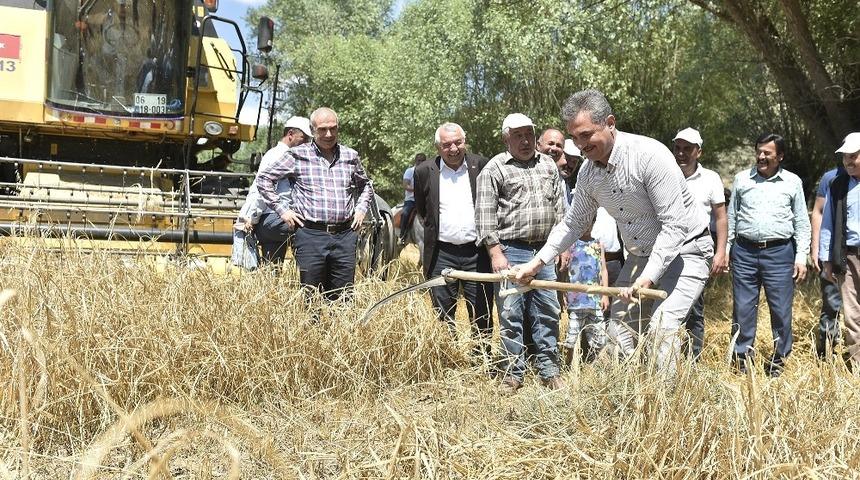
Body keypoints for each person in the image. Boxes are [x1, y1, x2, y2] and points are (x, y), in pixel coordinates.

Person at [514, 89, 712, 378]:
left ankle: (665, 409)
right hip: (641, 256)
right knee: (619, 332)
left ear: (609, 122)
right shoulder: (588, 174)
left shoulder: (649, 156)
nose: (580, 145)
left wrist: (647, 278)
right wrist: (536, 263)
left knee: (661, 330)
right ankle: (629, 399)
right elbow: (573, 223)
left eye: (586, 135)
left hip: (686, 252)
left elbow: (675, 226)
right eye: (576, 138)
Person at [475, 113, 566, 392]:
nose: (525, 141)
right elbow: (485, 214)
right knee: (511, 314)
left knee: (548, 311)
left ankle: (550, 370)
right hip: (511, 251)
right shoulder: (494, 169)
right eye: (518, 135)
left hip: (545, 252)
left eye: (529, 134)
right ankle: (512, 372)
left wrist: (562, 246)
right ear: (506, 139)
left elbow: (562, 209)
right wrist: (495, 252)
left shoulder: (549, 165)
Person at [256, 107, 374, 300]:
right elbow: (263, 180)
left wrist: (361, 209)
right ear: (312, 130)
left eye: (333, 128)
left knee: (343, 298)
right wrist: (283, 211)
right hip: (310, 235)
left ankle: (339, 331)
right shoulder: (297, 155)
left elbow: (366, 185)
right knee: (312, 298)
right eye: (322, 129)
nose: (329, 134)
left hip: (345, 236)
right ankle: (313, 330)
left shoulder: (350, 156)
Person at [727, 133, 810, 376]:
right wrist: (727, 250)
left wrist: (800, 256)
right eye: (759, 152)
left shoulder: (793, 182)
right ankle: (742, 360)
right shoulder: (742, 180)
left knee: (781, 310)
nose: (761, 157)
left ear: (780, 156)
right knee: (742, 308)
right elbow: (732, 217)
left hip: (780, 253)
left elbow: (802, 223)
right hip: (744, 252)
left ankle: (779, 361)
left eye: (767, 153)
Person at [413, 123, 494, 358]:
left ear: (465, 141)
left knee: (482, 310)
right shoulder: (424, 171)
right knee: (442, 312)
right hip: (441, 254)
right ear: (438, 147)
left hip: (476, 253)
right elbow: (423, 210)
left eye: (458, 142)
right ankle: (449, 359)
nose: (454, 148)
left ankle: (483, 360)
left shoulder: (481, 166)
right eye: (447, 144)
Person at [672, 127, 728, 360]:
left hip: (696, 250)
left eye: (687, 149)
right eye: (678, 148)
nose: (681, 153)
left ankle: (692, 361)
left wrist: (721, 252)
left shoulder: (711, 179)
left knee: (694, 308)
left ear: (699, 152)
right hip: (668, 249)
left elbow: (721, 217)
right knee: (665, 307)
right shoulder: (666, 173)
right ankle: (668, 359)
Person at [233, 116, 312, 266]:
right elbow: (260, 188)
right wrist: (251, 217)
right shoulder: (278, 155)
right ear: (290, 134)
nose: (307, 142)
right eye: (304, 138)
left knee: (271, 268)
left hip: (271, 221)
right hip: (275, 218)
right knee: (311, 231)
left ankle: (272, 287)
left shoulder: (277, 154)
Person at [820, 132, 860, 368]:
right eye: (845, 157)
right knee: (852, 314)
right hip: (848, 255)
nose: (848, 161)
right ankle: (857, 367)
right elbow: (827, 223)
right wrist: (826, 260)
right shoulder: (837, 185)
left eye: (853, 156)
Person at [563, 218, 610, 365]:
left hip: (594, 300)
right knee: (572, 337)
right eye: (584, 222)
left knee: (599, 338)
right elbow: (565, 271)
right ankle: (568, 364)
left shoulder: (598, 244)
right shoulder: (570, 245)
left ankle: (596, 366)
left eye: (590, 222)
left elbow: (603, 270)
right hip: (576, 300)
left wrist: (605, 294)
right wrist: (563, 292)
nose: (587, 225)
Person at [811, 164, 845, 358]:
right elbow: (819, 211)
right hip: (834, 253)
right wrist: (816, 248)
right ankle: (826, 355)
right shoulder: (830, 178)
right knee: (831, 304)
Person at [399, 153, 426, 245]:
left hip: (424, 200)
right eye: (419, 160)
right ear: (415, 161)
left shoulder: (428, 172)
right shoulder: (410, 171)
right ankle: (402, 236)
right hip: (411, 200)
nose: (421, 162)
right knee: (405, 213)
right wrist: (417, 191)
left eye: (423, 160)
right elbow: (405, 185)